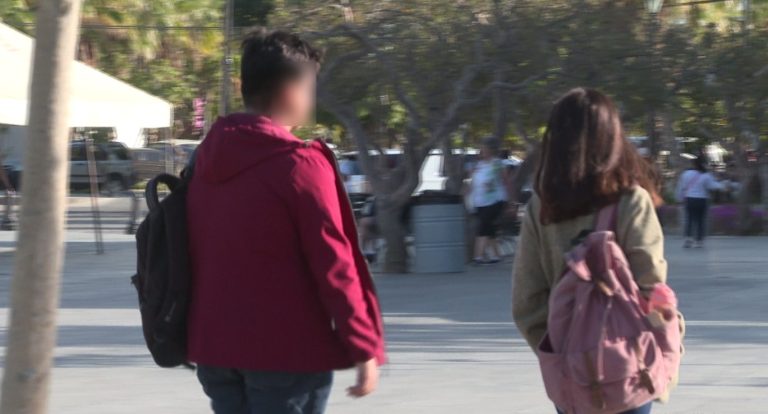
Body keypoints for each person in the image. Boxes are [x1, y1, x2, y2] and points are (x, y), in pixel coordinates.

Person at [186, 29, 386, 414]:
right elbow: (334, 263)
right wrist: (363, 345)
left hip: (214, 348)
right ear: (292, 90)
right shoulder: (299, 165)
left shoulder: (206, 158)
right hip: (286, 351)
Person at [512, 88, 667, 414]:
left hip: (572, 377)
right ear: (612, 135)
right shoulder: (630, 200)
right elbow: (652, 287)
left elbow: (527, 300)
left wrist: (560, 352)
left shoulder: (542, 207)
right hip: (630, 370)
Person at [470, 137, 508, 264]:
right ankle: (496, 255)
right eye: (481, 149)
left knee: (483, 227)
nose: (482, 151)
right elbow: (473, 181)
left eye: (485, 149)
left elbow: (503, 180)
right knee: (489, 229)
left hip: (494, 200)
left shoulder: (497, 163)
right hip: (479, 201)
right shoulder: (479, 165)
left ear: (491, 150)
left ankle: (478, 256)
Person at [676, 156, 722, 248]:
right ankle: (699, 241)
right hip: (702, 199)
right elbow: (712, 186)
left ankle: (688, 239)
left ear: (693, 164)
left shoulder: (686, 174)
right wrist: (723, 186)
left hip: (690, 199)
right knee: (701, 220)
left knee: (689, 219)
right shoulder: (706, 175)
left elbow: (681, 187)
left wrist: (679, 197)